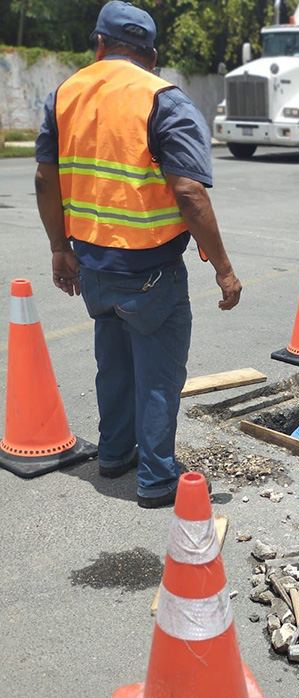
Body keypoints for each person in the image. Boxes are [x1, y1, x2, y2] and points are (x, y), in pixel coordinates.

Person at [34, 1, 241, 508]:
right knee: (158, 376)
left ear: (100, 45)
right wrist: (225, 269)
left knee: (115, 364)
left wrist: (60, 249)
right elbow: (189, 193)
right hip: (150, 273)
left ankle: (113, 455)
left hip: (92, 270)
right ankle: (156, 478)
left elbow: (45, 177)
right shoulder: (163, 99)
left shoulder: (65, 93)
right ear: (151, 55)